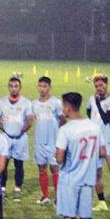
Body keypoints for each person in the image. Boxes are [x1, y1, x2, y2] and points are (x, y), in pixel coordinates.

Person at [55, 92, 104, 219]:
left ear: (68, 107)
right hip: (88, 178)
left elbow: (59, 158)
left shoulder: (66, 129)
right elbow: (103, 151)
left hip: (69, 179)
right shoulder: (94, 126)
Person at [87, 74, 110, 213]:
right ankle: (102, 202)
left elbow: (106, 119)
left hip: (108, 142)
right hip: (95, 142)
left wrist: (98, 103)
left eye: (101, 85)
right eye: (96, 86)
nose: (99, 88)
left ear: (107, 85)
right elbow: (89, 114)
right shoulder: (91, 100)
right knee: (97, 174)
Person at [0, 75, 34, 201]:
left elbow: (30, 120)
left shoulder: (26, 103)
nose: (13, 88)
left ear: (20, 87)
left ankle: (17, 189)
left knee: (19, 164)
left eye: (16, 86)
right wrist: (5, 130)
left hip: (20, 139)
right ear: (8, 87)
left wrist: (21, 131)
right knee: (3, 165)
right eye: (11, 86)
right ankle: (3, 189)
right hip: (5, 138)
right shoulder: (1, 102)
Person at [32, 76, 64, 205]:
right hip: (39, 142)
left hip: (53, 142)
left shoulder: (56, 103)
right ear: (37, 87)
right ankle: (45, 196)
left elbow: (63, 120)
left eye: (45, 86)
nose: (42, 89)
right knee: (41, 168)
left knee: (55, 169)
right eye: (40, 86)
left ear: (49, 88)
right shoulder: (33, 103)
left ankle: (58, 197)